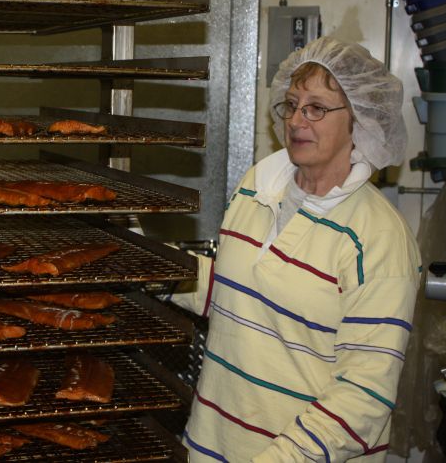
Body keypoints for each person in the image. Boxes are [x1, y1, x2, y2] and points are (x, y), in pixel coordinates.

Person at [170, 36, 422, 461]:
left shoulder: (379, 239)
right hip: (211, 445)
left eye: (317, 108)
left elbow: (364, 395)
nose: (297, 121)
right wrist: (145, 265)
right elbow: (236, 294)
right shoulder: (258, 186)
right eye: (292, 104)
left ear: (358, 119)